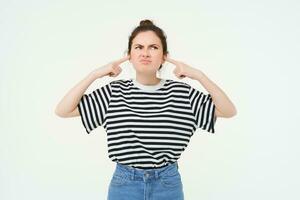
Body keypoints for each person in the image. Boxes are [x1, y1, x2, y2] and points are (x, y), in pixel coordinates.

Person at [55, 19, 237, 200]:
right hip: (125, 184)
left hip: (167, 184)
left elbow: (228, 111)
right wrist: (95, 74)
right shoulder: (114, 92)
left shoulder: (182, 93)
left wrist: (199, 75)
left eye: (153, 47)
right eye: (138, 47)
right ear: (129, 55)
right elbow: (63, 110)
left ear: (164, 56)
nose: (145, 53)